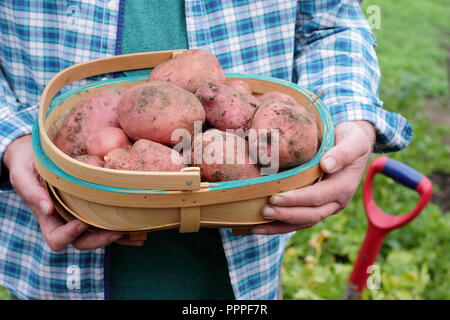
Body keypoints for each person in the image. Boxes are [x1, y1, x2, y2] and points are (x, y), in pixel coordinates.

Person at [0, 0, 412, 300]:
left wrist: (350, 118)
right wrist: (11, 137)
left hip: (246, 254)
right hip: (57, 260)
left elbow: (332, 23)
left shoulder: (229, 122)